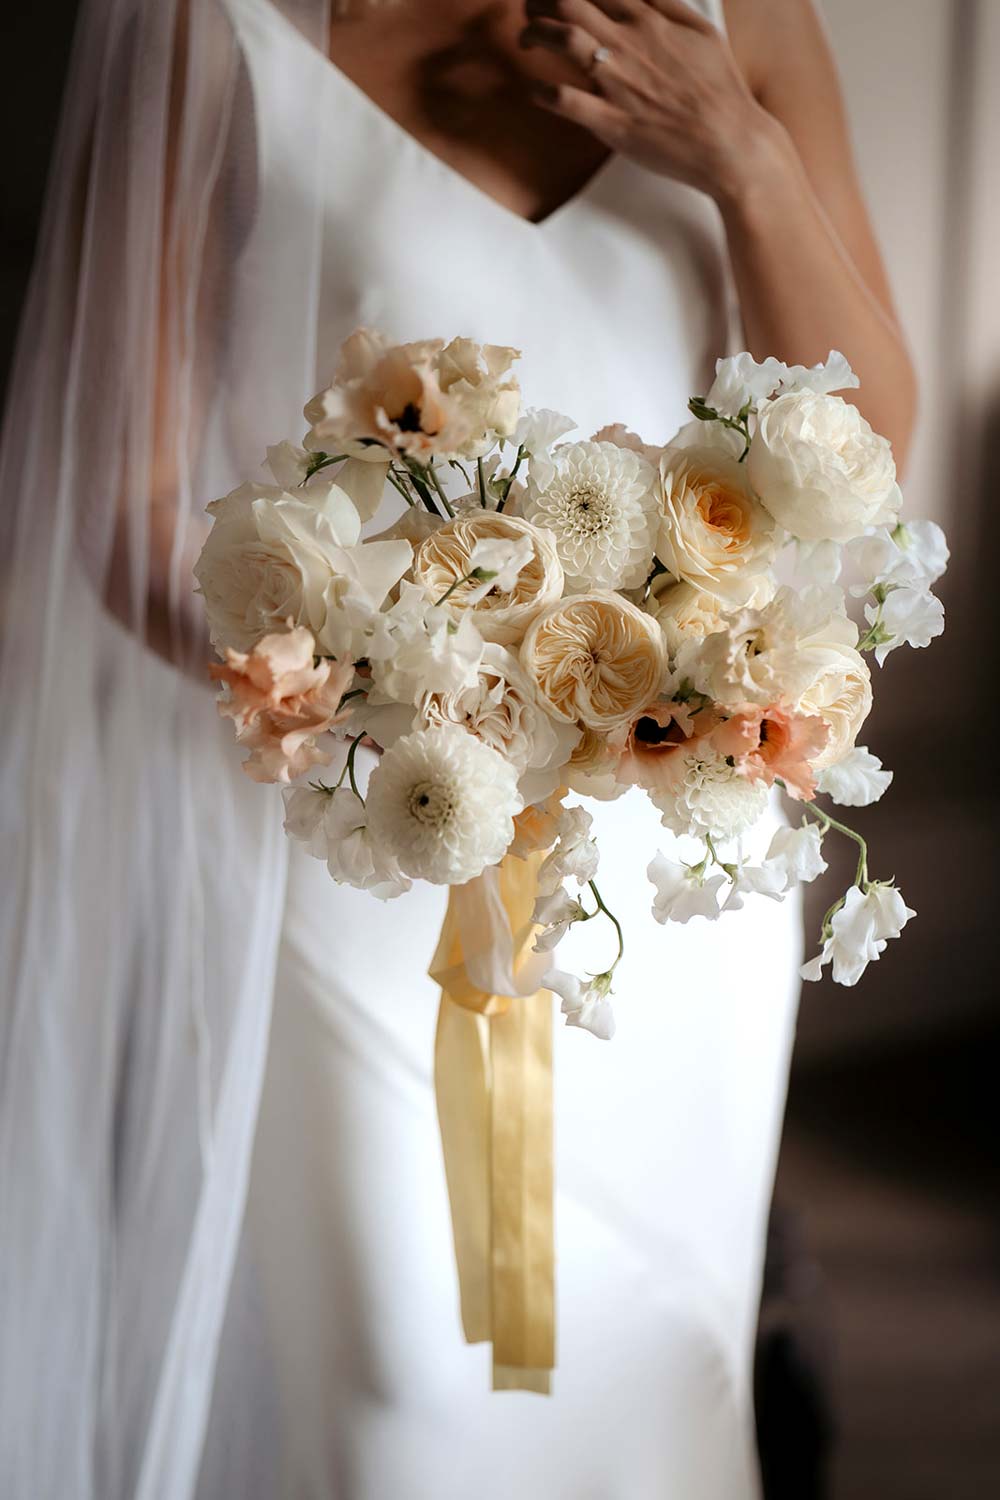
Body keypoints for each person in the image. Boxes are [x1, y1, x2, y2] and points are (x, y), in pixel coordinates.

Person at [0, 3, 914, 1498]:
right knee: (404, 1380)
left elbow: (870, 451)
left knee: (667, 1366)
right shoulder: (209, 32)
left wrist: (740, 154)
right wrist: (385, 690)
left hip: (671, 854)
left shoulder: (751, 25)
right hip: (380, 837)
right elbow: (129, 496)